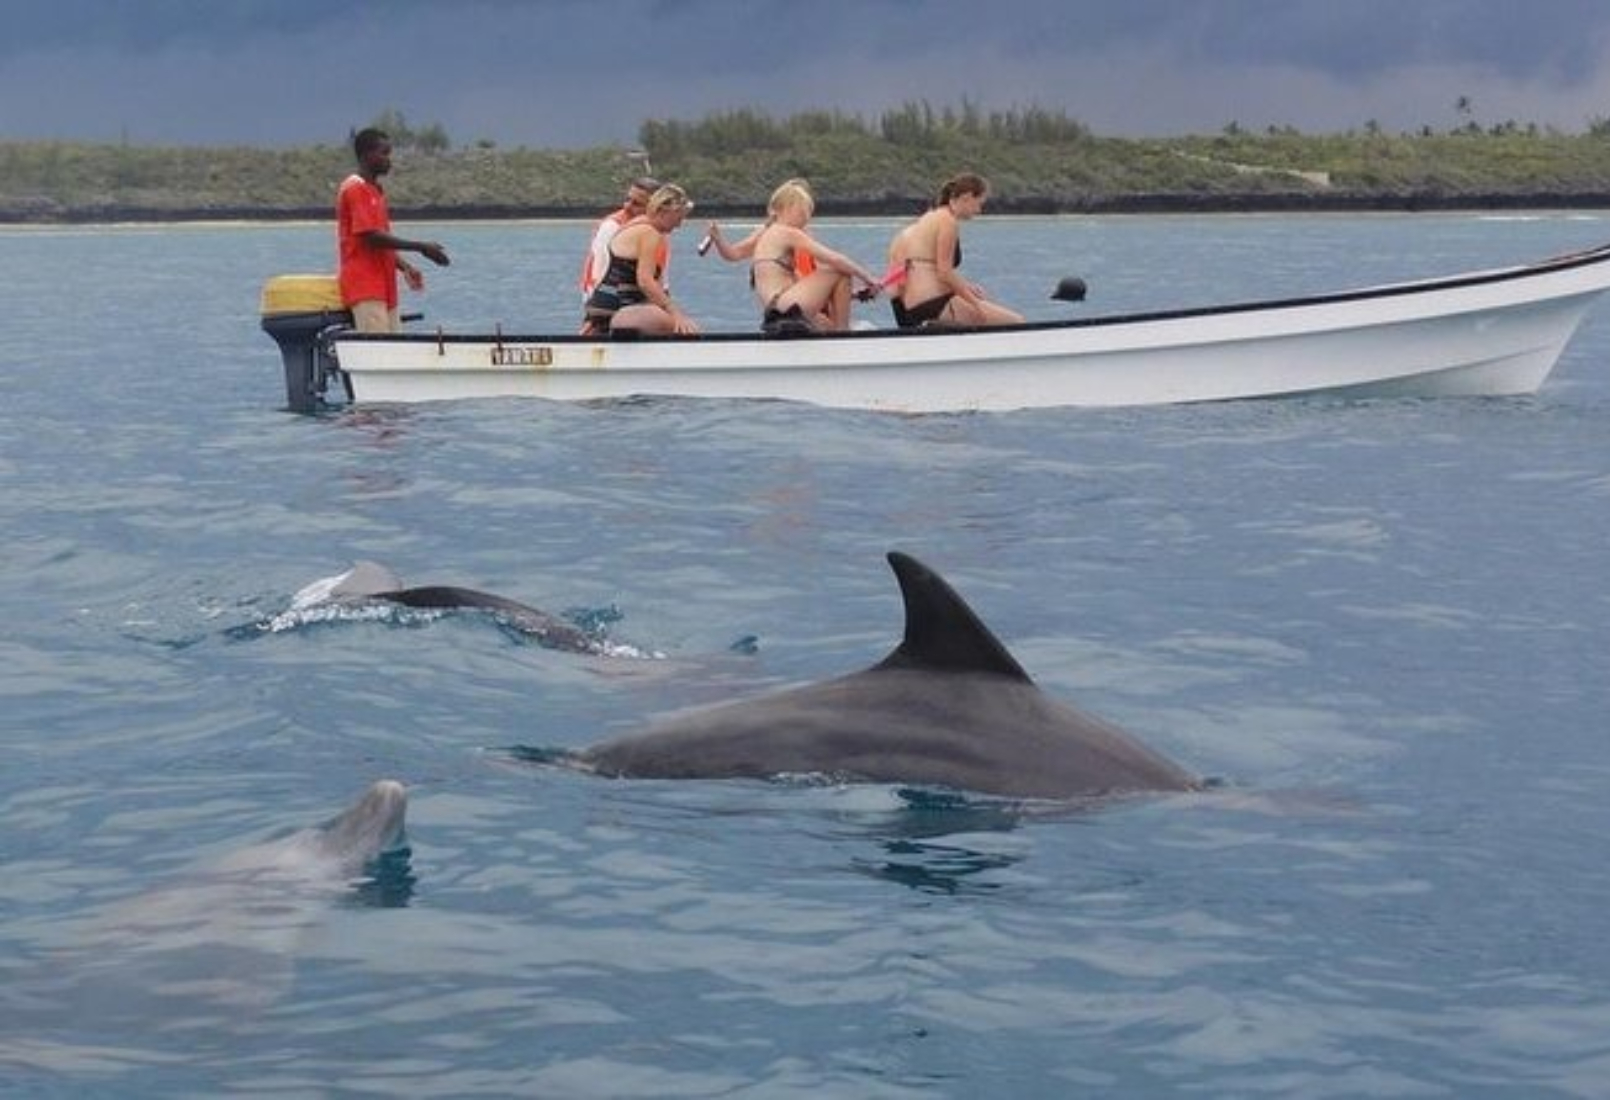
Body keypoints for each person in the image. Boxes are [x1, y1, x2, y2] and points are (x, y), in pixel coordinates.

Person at [703, 179, 880, 332]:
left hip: (775, 308)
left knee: (826, 325)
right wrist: (869, 278)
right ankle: (844, 334)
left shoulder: (763, 233)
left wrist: (718, 239)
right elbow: (835, 259)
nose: (807, 218)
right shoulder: (788, 233)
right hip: (785, 305)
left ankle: (835, 332)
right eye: (803, 212)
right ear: (784, 209)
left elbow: (732, 254)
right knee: (839, 272)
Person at [336, 127, 450, 333]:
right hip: (365, 286)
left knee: (394, 348)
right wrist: (421, 247)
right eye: (384, 153)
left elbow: (380, 241)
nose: (389, 160)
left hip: (384, 286)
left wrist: (404, 266)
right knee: (378, 353)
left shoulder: (375, 191)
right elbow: (371, 237)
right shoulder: (355, 188)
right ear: (366, 155)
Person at [890, 172, 1022, 328]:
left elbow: (897, 284)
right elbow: (944, 272)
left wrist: (965, 286)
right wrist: (976, 305)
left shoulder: (914, 228)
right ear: (966, 197)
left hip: (910, 308)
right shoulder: (948, 221)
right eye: (979, 203)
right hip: (935, 303)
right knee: (1016, 322)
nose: (979, 210)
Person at [582, 184, 700, 336]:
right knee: (685, 330)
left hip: (602, 304)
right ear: (666, 211)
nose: (679, 225)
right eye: (679, 217)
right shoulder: (649, 232)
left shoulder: (634, 224)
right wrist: (676, 314)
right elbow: (645, 281)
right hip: (621, 307)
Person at [578, 176, 664, 301]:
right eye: (627, 200)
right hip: (607, 296)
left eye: (637, 204)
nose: (627, 206)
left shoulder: (657, 230)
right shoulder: (612, 226)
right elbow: (599, 273)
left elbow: (661, 271)